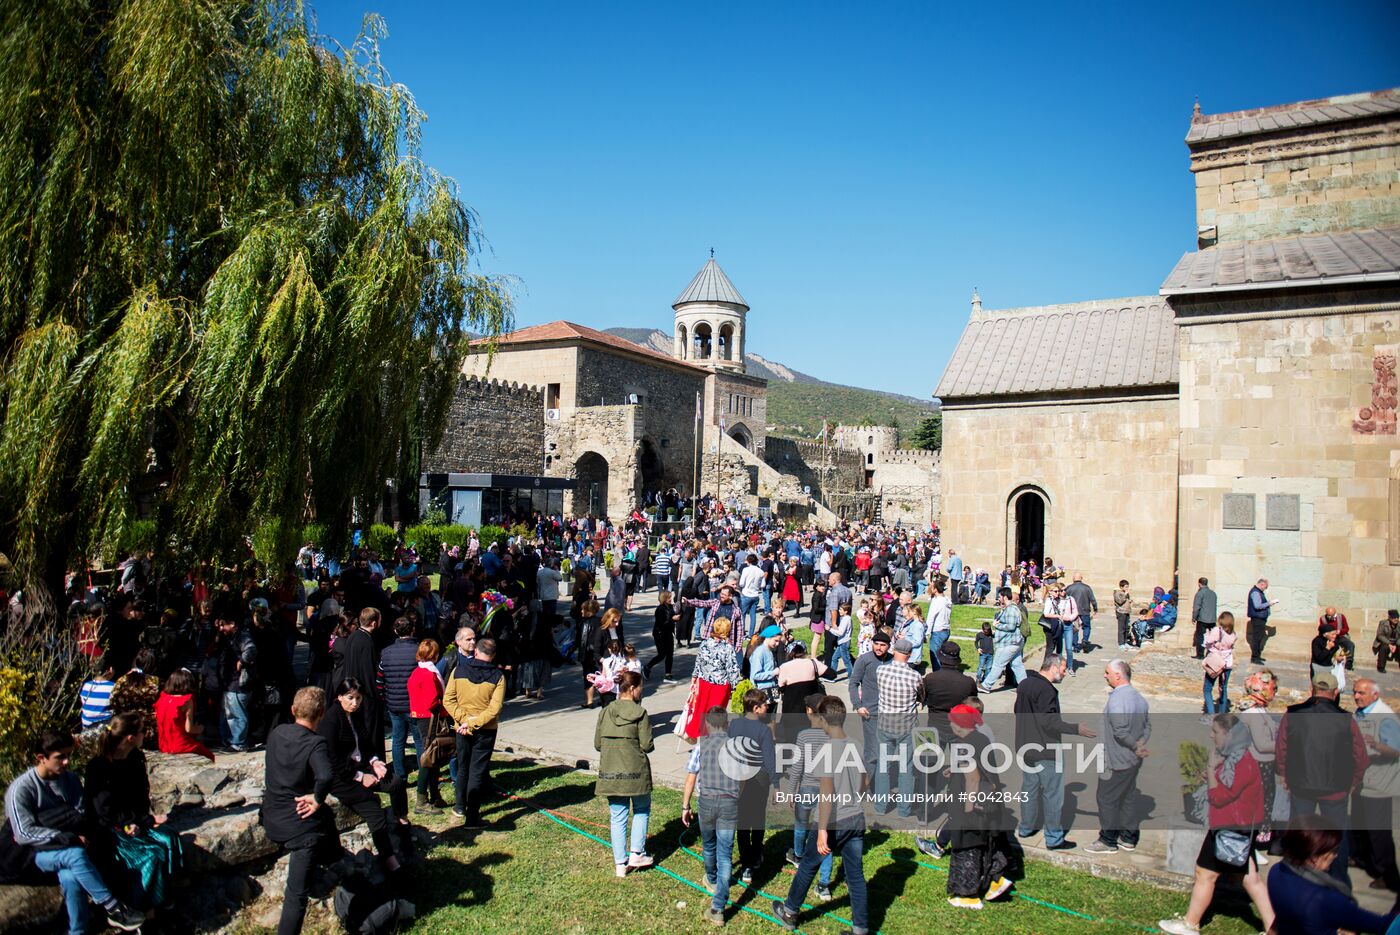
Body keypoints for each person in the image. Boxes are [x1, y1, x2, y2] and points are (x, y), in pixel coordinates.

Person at [3, 731, 146, 934]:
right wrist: (66, 835)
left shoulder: (69, 780)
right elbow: (23, 834)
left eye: (69, 755)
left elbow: (80, 815)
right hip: (30, 855)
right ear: (41, 758)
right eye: (60, 757)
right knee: (76, 854)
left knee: (72, 878)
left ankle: (77, 931)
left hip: (60, 849)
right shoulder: (22, 789)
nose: (67, 762)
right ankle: (113, 907)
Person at [1158, 714, 1274, 935]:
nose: (1212, 736)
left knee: (1205, 874)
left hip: (1229, 827)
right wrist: (1212, 774)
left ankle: (1190, 924)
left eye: (1216, 732)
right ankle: (1273, 927)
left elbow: (1220, 797)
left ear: (1229, 735)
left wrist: (1211, 771)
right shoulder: (1237, 757)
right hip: (1241, 827)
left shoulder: (1240, 762)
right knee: (1251, 879)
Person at [771, 695, 869, 935]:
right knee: (855, 875)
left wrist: (822, 829)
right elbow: (865, 781)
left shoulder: (828, 750)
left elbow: (827, 791)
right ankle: (860, 928)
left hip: (834, 820)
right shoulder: (855, 744)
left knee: (808, 866)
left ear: (824, 720)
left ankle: (790, 911)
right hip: (856, 817)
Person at [84, 714, 185, 911]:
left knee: (170, 838)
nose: (145, 734)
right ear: (130, 738)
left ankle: (167, 895)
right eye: (141, 731)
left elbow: (141, 794)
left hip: (136, 820)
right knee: (151, 855)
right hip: (110, 830)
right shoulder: (98, 767)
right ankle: (143, 907)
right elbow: (104, 811)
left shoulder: (136, 757)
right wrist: (131, 822)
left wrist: (144, 820)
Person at [1276, 669, 1368, 883]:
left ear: (1311, 689)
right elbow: (1360, 755)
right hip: (1335, 786)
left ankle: (1294, 875)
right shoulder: (1346, 719)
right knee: (1337, 836)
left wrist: (1283, 774)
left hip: (1301, 783)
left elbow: (1282, 748)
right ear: (1335, 692)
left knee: (1300, 831)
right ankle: (1338, 880)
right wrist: (1354, 780)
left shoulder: (1293, 714)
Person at [261, 686, 340, 935]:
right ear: (322, 714)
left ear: (293, 710)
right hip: (299, 826)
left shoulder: (277, 733)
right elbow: (326, 774)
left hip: (271, 814)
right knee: (296, 894)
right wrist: (317, 798)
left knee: (327, 815)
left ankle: (334, 859)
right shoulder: (315, 743)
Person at [317, 678, 411, 872]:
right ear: (339, 697)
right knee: (374, 810)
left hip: (362, 767)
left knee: (396, 783)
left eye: (358, 698)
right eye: (350, 698)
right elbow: (334, 760)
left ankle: (402, 822)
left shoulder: (356, 715)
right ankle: (390, 861)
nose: (355, 703)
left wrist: (375, 762)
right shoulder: (331, 720)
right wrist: (360, 776)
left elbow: (366, 744)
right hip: (343, 777)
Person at [1014, 654, 1095, 850]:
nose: (1065, 673)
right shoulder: (1047, 690)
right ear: (1053, 668)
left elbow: (1018, 710)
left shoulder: (1025, 684)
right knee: (1052, 794)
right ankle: (1054, 838)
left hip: (1026, 747)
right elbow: (1049, 722)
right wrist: (1077, 729)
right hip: (1046, 749)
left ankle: (1026, 827)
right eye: (1063, 669)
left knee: (1029, 789)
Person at [1266, 816, 1399, 935]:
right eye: (1333, 851)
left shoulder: (1276, 872)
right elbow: (1383, 925)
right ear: (1314, 857)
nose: (1336, 855)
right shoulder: (1325, 899)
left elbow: (1283, 919)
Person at [944, 704, 1013, 909]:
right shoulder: (981, 738)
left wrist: (967, 809)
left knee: (968, 848)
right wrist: (954, 769)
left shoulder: (962, 745)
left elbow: (973, 778)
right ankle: (994, 881)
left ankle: (967, 896)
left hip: (972, 805)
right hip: (989, 803)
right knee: (986, 846)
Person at [682, 707, 742, 927]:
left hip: (707, 801)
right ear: (726, 724)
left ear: (707, 724)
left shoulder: (701, 746)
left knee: (709, 846)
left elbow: (690, 778)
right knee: (725, 854)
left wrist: (685, 806)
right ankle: (718, 906)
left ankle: (712, 879)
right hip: (729, 802)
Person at [595, 670, 655, 877]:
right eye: (640, 688)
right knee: (641, 809)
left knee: (617, 815)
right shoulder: (640, 713)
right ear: (632, 689)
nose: (641, 692)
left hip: (611, 769)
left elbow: (597, 744)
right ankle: (637, 852)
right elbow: (647, 745)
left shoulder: (605, 711)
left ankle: (620, 863)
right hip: (635, 770)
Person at [1086, 660, 1150, 855]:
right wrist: (1140, 745)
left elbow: (1120, 731)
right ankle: (1128, 837)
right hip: (1132, 760)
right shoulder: (1139, 698)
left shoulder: (1117, 700)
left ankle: (1108, 840)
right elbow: (1147, 727)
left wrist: (1135, 745)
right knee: (1128, 796)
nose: (1105, 676)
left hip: (1115, 760)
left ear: (1118, 675)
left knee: (1107, 799)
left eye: (1107, 673)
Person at [443, 636, 507, 829]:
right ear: (493, 655)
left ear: (476, 652)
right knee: (477, 771)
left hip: (462, 728)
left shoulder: (458, 670)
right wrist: (473, 722)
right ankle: (472, 818)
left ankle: (459, 806)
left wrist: (463, 720)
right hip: (485, 729)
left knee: (463, 766)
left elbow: (448, 700)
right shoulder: (498, 676)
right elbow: (494, 709)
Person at [781, 693, 835, 901]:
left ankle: (798, 855)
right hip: (827, 792)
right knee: (825, 839)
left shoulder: (804, 735)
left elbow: (797, 767)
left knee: (800, 825)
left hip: (807, 788)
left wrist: (791, 790)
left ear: (809, 712)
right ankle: (824, 884)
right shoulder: (833, 735)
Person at [1350, 677, 1400, 894]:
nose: (1356, 696)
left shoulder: (1384, 717)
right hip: (1363, 781)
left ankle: (1389, 875)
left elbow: (1395, 749)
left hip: (1380, 783)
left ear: (1375, 695)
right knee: (1360, 823)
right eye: (1355, 692)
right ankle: (1362, 858)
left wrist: (1376, 745)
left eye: (1361, 693)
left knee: (1378, 831)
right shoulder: (1361, 713)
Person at [729, 689, 779, 884]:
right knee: (758, 819)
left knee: (742, 822)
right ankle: (756, 857)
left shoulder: (734, 724)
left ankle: (746, 863)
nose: (768, 706)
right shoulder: (764, 730)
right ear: (756, 708)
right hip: (759, 780)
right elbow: (770, 760)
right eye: (765, 704)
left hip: (739, 779)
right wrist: (776, 785)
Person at [873, 638, 924, 819]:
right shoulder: (915, 676)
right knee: (906, 769)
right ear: (909, 655)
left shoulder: (881, 670)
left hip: (885, 723)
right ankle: (904, 810)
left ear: (893, 650)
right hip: (905, 726)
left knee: (883, 767)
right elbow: (920, 695)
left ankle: (880, 806)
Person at [682, 617, 741, 740]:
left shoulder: (704, 643)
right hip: (720, 685)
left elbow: (698, 662)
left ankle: (694, 732)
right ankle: (711, 736)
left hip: (704, 682)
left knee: (701, 708)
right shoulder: (727, 648)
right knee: (716, 712)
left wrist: (694, 677)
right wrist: (735, 686)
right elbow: (732, 669)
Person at [378, 617, 421, 787]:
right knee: (419, 740)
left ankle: (401, 776)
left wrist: (385, 698)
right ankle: (424, 773)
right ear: (413, 630)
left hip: (393, 703)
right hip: (414, 704)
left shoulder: (386, 652)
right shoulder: (418, 652)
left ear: (395, 631)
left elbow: (380, 679)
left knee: (398, 740)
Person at [407, 639, 449, 813]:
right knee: (429, 757)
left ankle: (434, 793)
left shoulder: (417, 671)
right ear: (435, 654)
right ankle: (421, 799)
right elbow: (432, 700)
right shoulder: (429, 673)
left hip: (418, 716)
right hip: (429, 718)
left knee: (433, 757)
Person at [849, 630, 892, 779]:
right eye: (876, 644)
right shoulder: (864, 659)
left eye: (883, 645)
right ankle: (869, 783)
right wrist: (858, 705)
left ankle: (883, 782)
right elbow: (853, 683)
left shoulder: (893, 661)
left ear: (889, 646)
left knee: (888, 751)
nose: (879, 648)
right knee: (872, 752)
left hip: (890, 714)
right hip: (870, 713)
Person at [155, 668, 215, 760]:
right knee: (209, 756)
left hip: (164, 744)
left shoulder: (163, 697)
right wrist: (201, 729)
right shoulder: (187, 700)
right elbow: (189, 729)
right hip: (180, 744)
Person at [978, 587, 1027, 692]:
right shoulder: (1009, 608)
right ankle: (1024, 687)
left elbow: (1011, 626)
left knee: (998, 664)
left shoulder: (1011, 609)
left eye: (1000, 596)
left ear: (1005, 597)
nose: (999, 598)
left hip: (1009, 643)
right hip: (1013, 642)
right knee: (1017, 665)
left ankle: (986, 685)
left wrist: (997, 625)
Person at [110, 650, 161, 744]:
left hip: (126, 730)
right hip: (150, 732)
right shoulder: (155, 682)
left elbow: (113, 700)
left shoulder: (122, 680)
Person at [1201, 612, 1238, 716]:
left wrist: (1209, 636)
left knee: (1207, 688)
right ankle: (1222, 715)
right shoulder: (1233, 634)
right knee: (1223, 688)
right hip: (1227, 664)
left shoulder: (1218, 631)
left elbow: (1207, 643)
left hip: (1216, 663)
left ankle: (1211, 714)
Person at [1041, 583, 1079, 674]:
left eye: (1063, 590)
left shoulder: (1070, 599)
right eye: (1059, 590)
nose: (1061, 592)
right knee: (1058, 649)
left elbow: (1075, 611)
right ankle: (1058, 667)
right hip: (1058, 626)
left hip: (1068, 625)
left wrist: (1070, 618)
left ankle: (1070, 667)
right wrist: (1058, 616)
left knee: (1069, 648)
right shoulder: (1054, 600)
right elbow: (1047, 613)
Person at [643, 589, 678, 682]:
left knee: (670, 654)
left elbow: (674, 615)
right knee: (662, 654)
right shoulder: (660, 609)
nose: (671, 599)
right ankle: (647, 667)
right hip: (660, 634)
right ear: (664, 598)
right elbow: (662, 623)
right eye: (669, 597)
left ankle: (668, 674)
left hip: (669, 633)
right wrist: (672, 619)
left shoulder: (671, 607)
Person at [79, 656, 118, 730]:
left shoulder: (86, 685)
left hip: (86, 726)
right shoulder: (113, 687)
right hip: (104, 728)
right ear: (110, 669)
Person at [1246, 578, 1278, 665]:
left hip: (1260, 618)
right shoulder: (1256, 592)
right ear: (1262, 584)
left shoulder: (1258, 592)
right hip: (1257, 619)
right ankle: (1255, 658)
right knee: (1257, 638)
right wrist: (1269, 603)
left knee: (1259, 637)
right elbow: (1257, 606)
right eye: (1266, 587)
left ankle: (1257, 656)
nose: (1265, 589)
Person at [1064, 572, 1097, 654]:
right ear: (1081, 578)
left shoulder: (1069, 588)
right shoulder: (1087, 588)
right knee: (1086, 627)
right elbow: (1092, 599)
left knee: (1075, 628)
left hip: (1073, 611)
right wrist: (1095, 609)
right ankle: (1085, 640)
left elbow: (1064, 598)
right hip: (1085, 610)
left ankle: (1075, 646)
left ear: (1073, 578)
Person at [1318, 607, 1356, 671]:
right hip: (1330, 638)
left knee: (1350, 644)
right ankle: (1328, 662)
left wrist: (1340, 631)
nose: (1330, 617)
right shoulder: (1323, 619)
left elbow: (1346, 629)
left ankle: (1349, 663)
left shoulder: (1341, 617)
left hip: (1340, 636)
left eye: (1332, 615)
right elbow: (1321, 630)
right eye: (1328, 616)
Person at [924, 582, 952, 670]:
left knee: (935, 656)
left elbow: (931, 617)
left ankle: (937, 676)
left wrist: (926, 633)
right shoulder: (947, 599)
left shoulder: (937, 601)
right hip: (946, 630)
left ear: (935, 589)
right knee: (942, 655)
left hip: (937, 631)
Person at [1190, 577, 1217, 660]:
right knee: (1212, 637)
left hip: (1203, 618)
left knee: (1200, 636)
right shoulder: (1213, 593)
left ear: (1199, 584)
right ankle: (1210, 653)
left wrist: (1194, 617)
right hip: (1212, 618)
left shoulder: (1200, 593)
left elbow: (1196, 607)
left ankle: (1200, 654)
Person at [1113, 580, 1135, 651]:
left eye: (1128, 586)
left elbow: (1125, 601)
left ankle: (1125, 642)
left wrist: (1129, 601)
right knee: (1121, 628)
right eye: (1126, 586)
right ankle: (1121, 643)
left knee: (1126, 628)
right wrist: (1125, 595)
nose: (1127, 588)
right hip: (1121, 612)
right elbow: (1119, 601)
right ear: (1121, 587)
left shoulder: (1126, 593)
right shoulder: (1117, 593)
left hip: (1127, 611)